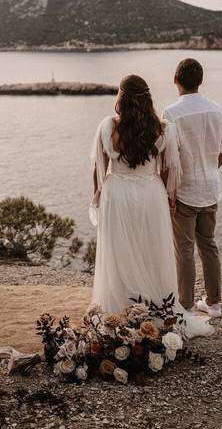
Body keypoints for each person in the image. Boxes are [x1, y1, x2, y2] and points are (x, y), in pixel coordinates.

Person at [90, 74, 213, 337]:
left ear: (120, 98)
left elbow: (97, 168)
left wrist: (98, 198)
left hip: (117, 194)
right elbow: (169, 169)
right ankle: (155, 305)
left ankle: (120, 308)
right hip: (150, 193)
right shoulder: (164, 129)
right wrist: (170, 200)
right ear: (148, 98)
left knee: (119, 250)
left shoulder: (108, 126)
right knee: (151, 249)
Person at [162, 58, 222, 318]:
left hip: (184, 191)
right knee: (209, 244)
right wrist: (209, 171)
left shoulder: (170, 113)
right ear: (200, 81)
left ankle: (186, 305)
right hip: (210, 188)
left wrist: (169, 191)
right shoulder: (217, 110)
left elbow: (168, 158)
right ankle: (214, 304)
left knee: (185, 249)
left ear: (175, 80)